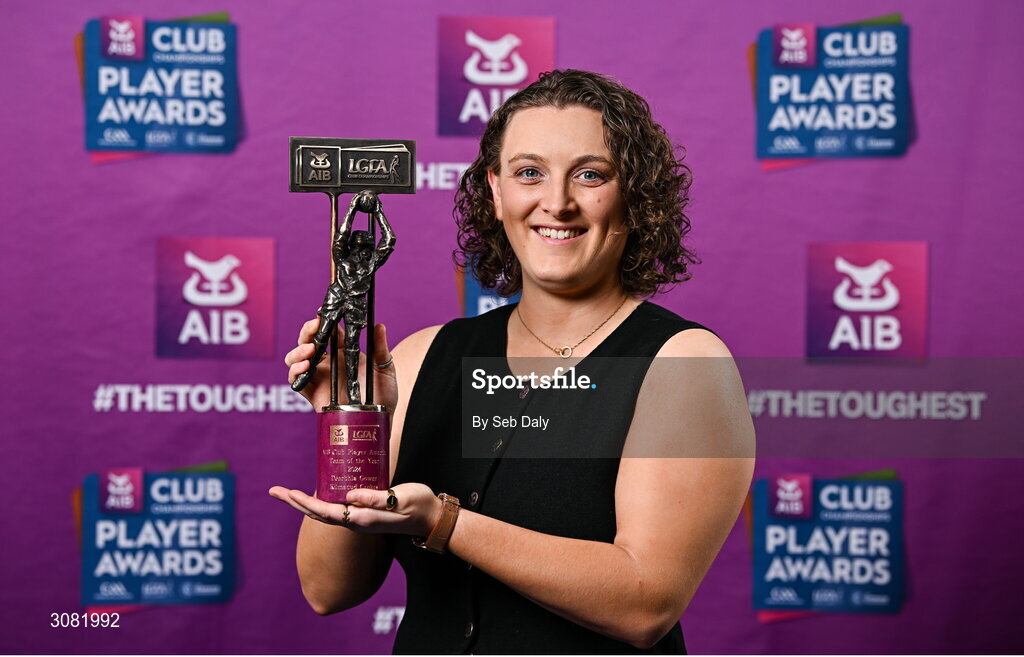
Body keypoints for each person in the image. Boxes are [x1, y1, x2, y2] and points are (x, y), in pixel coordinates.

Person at [270, 69, 755, 654]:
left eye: (590, 175)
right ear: (497, 193)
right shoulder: (422, 358)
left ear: (635, 194)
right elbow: (328, 589)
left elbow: (644, 604)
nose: (557, 203)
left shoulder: (684, 363)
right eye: (530, 173)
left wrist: (444, 524)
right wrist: (350, 426)